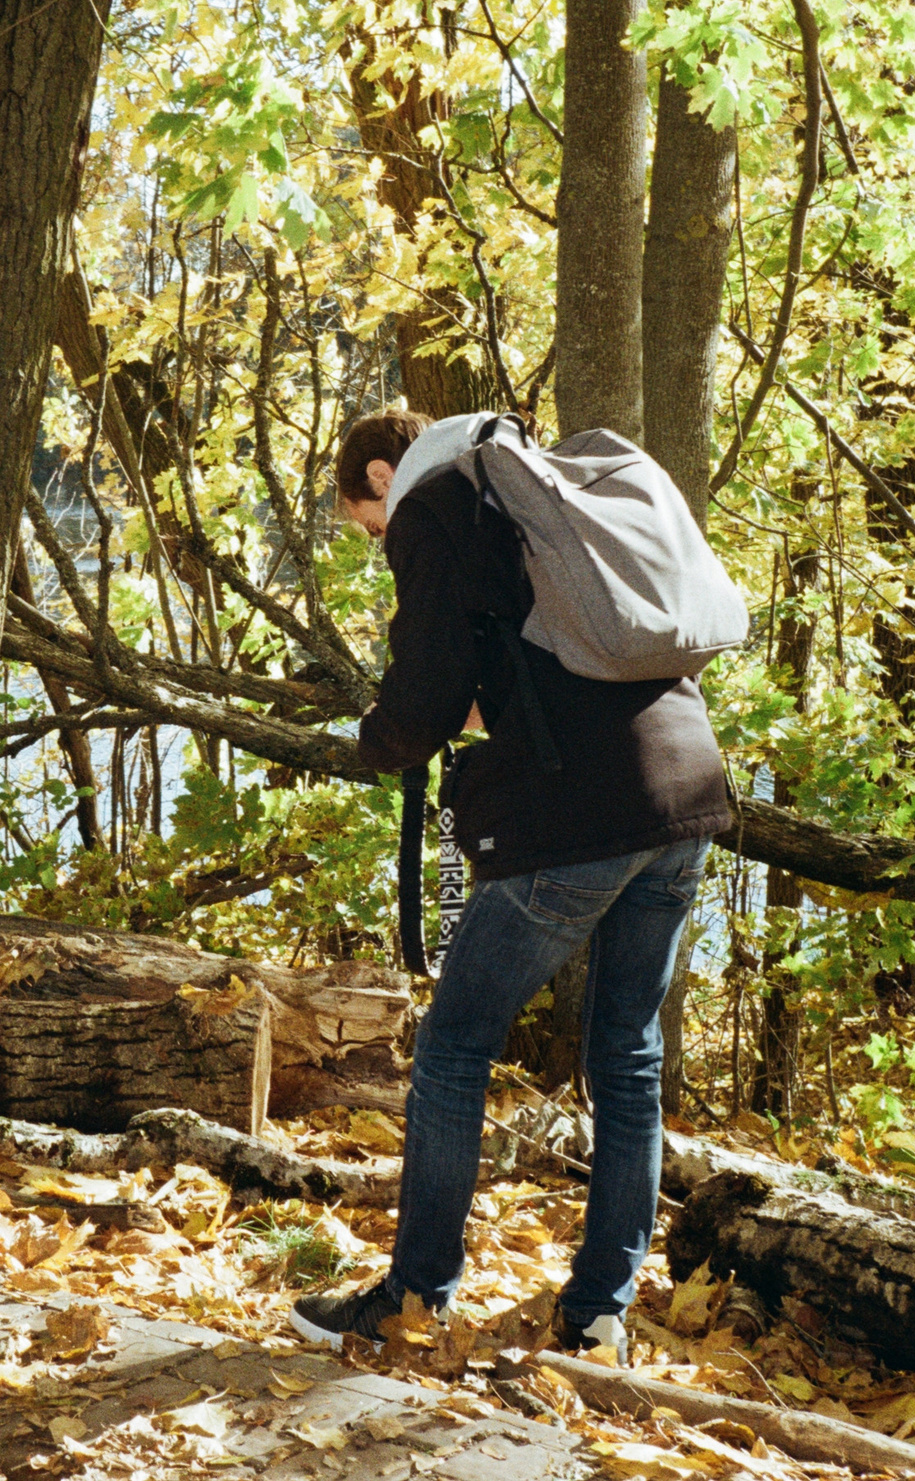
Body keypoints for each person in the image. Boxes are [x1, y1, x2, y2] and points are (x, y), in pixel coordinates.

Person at [290, 410, 732, 1358]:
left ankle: (415, 1296)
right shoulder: (537, 485)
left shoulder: (438, 502)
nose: (378, 542)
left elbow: (430, 683)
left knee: (453, 1046)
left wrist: (378, 742)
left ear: (381, 472)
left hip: (585, 809)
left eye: (367, 525)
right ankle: (600, 1313)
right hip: (687, 789)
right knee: (627, 1049)